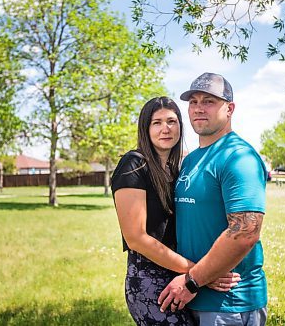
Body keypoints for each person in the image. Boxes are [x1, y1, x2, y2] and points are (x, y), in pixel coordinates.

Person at [111, 96, 241, 326]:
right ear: (145, 128)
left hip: (179, 277)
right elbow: (136, 238)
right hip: (149, 280)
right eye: (157, 122)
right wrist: (198, 273)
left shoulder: (177, 170)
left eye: (172, 121)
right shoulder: (134, 164)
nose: (165, 129)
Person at [158, 73, 268, 325]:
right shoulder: (192, 160)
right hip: (191, 297)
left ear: (229, 109)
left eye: (208, 101)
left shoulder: (239, 157)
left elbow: (245, 233)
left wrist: (192, 280)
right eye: (193, 101)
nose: (198, 108)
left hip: (229, 303)